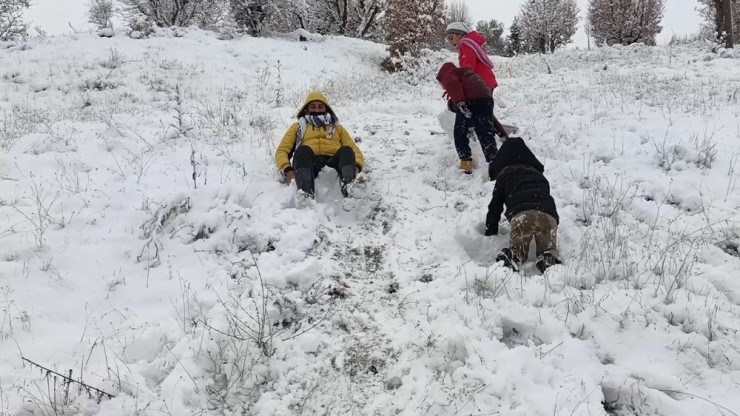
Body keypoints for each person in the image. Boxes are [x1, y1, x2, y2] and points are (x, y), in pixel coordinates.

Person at [484, 137, 562, 273]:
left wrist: (490, 232)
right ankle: (548, 259)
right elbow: (547, 199)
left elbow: (494, 208)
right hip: (548, 217)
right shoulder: (539, 176)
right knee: (549, 250)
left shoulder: (505, 175)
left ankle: (512, 257)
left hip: (522, 216)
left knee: (517, 250)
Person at [275, 92, 364, 197]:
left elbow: (354, 150)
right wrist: (287, 170)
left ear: (326, 108)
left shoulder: (337, 128)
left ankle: (350, 192)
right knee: (303, 150)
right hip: (309, 163)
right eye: (313, 106)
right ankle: (305, 195)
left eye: (320, 106)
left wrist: (356, 167)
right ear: (306, 109)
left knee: (347, 150)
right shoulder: (297, 127)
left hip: (333, 163)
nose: (317, 110)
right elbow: (282, 150)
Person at [445, 22, 509, 140]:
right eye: (448, 39)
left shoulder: (465, 45)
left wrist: (458, 87)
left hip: (480, 83)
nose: (450, 41)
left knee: (461, 106)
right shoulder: (470, 43)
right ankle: (499, 134)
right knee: (483, 110)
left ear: (460, 34)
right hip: (485, 81)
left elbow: (467, 69)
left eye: (451, 37)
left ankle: (477, 132)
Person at [436, 62, 498, 173]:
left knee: (460, 132)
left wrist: (460, 104)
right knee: (485, 133)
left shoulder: (447, 72)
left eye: (441, 84)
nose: (442, 86)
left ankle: (466, 164)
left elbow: (452, 83)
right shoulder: (465, 74)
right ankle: (495, 164)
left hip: (471, 101)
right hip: (487, 99)